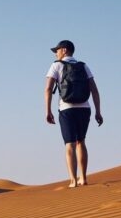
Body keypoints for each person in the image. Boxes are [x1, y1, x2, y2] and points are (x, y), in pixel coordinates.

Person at [44, 40, 103, 187]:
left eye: (57, 50)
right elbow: (94, 90)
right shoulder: (83, 66)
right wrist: (98, 111)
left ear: (64, 50)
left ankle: (72, 180)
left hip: (67, 109)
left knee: (69, 144)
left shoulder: (56, 65)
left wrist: (48, 111)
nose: (56, 53)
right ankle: (83, 178)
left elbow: (48, 89)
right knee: (81, 142)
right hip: (84, 108)